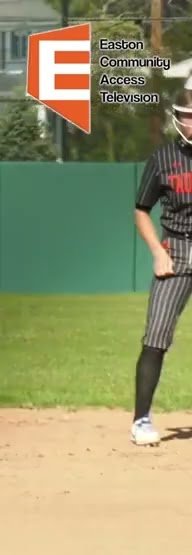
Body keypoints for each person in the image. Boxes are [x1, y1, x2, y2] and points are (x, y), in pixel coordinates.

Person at [132, 77, 192, 446]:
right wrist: (157, 252)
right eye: (190, 115)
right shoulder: (163, 159)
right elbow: (141, 210)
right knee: (156, 337)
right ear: (179, 118)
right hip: (177, 252)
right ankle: (141, 420)